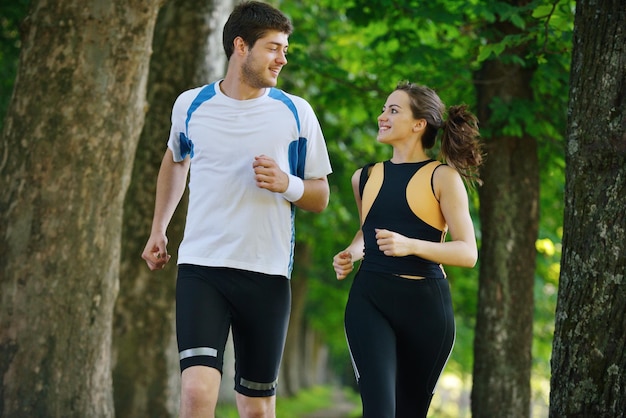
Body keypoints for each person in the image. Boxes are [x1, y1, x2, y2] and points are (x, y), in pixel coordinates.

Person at [141, 2, 332, 417]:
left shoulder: (296, 112)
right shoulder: (191, 104)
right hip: (201, 267)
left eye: (285, 49)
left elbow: (320, 195)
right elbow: (176, 159)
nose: (283, 58)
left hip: (266, 272)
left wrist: (288, 183)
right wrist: (159, 228)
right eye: (274, 48)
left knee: (257, 408)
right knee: (194, 393)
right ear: (240, 46)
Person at [332, 81, 483, 418]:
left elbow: (467, 252)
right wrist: (350, 254)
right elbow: (366, 232)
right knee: (379, 411)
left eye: (393, 110)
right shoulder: (364, 177)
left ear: (419, 124)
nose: (381, 116)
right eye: (384, 109)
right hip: (370, 300)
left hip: (426, 309)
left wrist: (409, 244)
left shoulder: (443, 177)